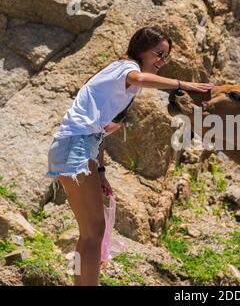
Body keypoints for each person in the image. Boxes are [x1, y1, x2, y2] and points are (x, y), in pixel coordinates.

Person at [46, 26, 214, 285]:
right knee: (94, 230)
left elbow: (98, 134)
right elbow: (140, 79)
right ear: (140, 49)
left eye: (166, 57)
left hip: (78, 147)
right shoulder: (124, 68)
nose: (161, 61)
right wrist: (183, 84)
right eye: (158, 54)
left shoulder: (122, 89)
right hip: (74, 146)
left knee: (90, 231)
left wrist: (101, 172)